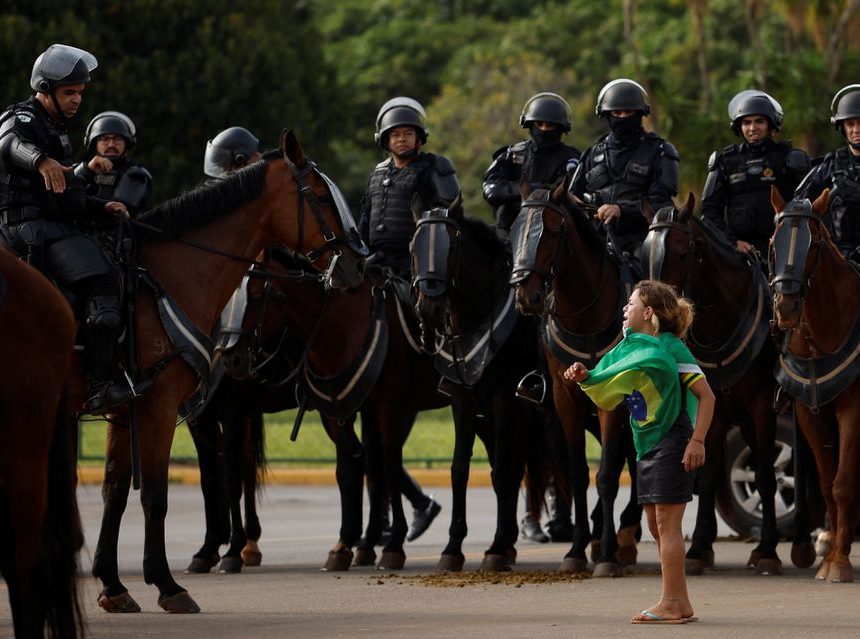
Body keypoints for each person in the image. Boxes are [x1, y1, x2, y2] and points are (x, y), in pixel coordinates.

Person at [563, 280, 715, 624]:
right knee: (655, 526)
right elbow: (609, 380)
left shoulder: (672, 348)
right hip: (646, 442)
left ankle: (672, 602)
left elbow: (708, 397)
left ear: (648, 312)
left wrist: (698, 441)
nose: (624, 309)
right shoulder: (631, 348)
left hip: (674, 440)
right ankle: (680, 600)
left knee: (667, 523)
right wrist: (585, 375)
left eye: (630, 304)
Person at [0, 44, 136, 414]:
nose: (77, 100)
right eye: (69, 92)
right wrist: (41, 160)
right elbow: (8, 143)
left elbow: (67, 196)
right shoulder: (25, 116)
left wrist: (100, 207)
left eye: (79, 92)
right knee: (104, 280)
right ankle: (99, 385)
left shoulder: (56, 130)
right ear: (46, 90)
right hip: (27, 230)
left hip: (48, 224)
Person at [569, 79, 679, 260]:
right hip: (596, 240)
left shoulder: (660, 151)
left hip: (643, 240)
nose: (622, 117)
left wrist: (622, 210)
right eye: (616, 113)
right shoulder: (592, 153)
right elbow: (574, 195)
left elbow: (662, 203)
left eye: (629, 112)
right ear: (605, 115)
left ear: (641, 114)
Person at [358, 96, 460, 277]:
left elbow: (452, 215)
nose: (402, 139)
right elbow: (366, 220)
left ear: (418, 138)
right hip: (376, 259)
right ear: (386, 140)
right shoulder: (377, 174)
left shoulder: (435, 166)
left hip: (417, 259)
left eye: (408, 134)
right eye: (395, 135)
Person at [701, 91, 810, 256]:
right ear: (739, 127)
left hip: (785, 250)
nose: (752, 128)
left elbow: (807, 204)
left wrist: (786, 239)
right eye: (746, 122)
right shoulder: (726, 161)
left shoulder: (790, 158)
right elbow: (709, 211)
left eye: (759, 121)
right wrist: (732, 242)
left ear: (771, 124)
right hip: (737, 251)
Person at [483, 92, 581, 231]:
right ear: (529, 125)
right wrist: (530, 190)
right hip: (508, 231)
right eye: (539, 124)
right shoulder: (512, 154)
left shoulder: (571, 159)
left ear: (560, 128)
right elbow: (491, 191)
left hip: (552, 233)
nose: (543, 129)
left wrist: (523, 189)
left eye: (550, 125)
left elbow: (568, 189)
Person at [795, 84, 860, 260]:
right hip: (837, 257)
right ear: (842, 128)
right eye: (850, 124)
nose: (856, 130)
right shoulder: (830, 165)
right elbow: (798, 205)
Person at [75, 110, 152, 215]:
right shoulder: (81, 170)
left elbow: (115, 214)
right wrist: (87, 171)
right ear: (94, 143)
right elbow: (61, 198)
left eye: (118, 139)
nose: (111, 144)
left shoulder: (137, 175)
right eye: (105, 139)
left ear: (127, 143)